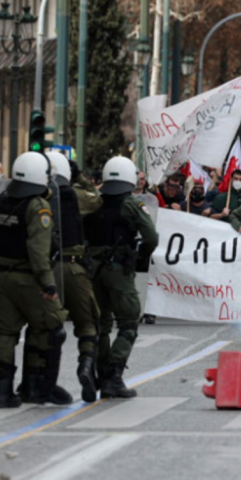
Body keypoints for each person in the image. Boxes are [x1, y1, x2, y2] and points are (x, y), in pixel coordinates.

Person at [0, 152, 69, 408]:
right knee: (51, 325)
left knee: (5, 332)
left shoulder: (1, 201)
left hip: (1, 277)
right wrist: (48, 284)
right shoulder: (38, 207)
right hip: (28, 279)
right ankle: (38, 387)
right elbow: (38, 251)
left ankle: (2, 391)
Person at [85, 157, 158, 398]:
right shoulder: (131, 205)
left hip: (93, 270)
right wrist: (139, 258)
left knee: (101, 324)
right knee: (128, 321)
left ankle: (99, 372)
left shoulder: (92, 202)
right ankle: (113, 376)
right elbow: (151, 237)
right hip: (118, 269)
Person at [45, 152, 103, 403]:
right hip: (74, 267)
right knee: (88, 323)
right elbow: (96, 200)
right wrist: (80, 178)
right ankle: (86, 367)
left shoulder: (39, 197)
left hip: (48, 270)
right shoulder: (74, 195)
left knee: (50, 328)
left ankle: (43, 382)